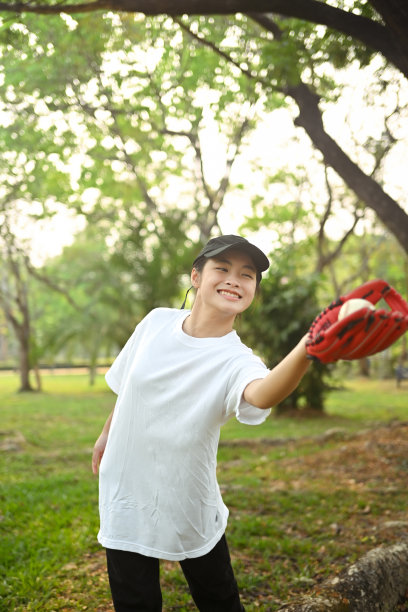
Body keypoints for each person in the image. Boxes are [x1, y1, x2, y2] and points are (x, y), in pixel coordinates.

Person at [92, 234, 311, 611]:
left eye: (247, 275)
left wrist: (309, 348)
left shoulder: (238, 360)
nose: (234, 279)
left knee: (219, 602)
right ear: (196, 277)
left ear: (253, 290)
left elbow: (262, 394)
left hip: (188, 502)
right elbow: (129, 386)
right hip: (125, 490)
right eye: (222, 269)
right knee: (134, 603)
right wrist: (105, 433)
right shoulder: (156, 322)